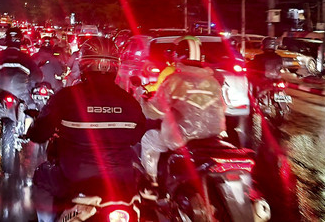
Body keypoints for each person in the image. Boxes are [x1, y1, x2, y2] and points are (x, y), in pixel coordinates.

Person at [28, 37, 146, 222]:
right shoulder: (130, 102)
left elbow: (39, 133)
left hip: (76, 177)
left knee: (40, 175)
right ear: (115, 67)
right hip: (122, 181)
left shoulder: (66, 97)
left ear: (83, 64)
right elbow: (137, 135)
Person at [138, 36, 226, 189]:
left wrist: (142, 101)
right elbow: (223, 107)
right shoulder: (213, 82)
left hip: (182, 139)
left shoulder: (175, 79)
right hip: (214, 135)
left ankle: (151, 185)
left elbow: (153, 111)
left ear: (178, 56)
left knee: (148, 139)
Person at [0, 27, 43, 106]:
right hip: (21, 97)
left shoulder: (0, 56)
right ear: (21, 40)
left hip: (2, 98)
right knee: (33, 110)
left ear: (6, 40)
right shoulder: (25, 57)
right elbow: (38, 76)